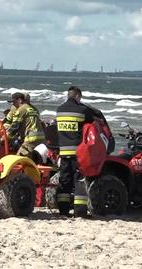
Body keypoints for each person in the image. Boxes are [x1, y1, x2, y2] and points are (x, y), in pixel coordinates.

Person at [56, 86, 95, 217]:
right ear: (77, 96)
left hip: (63, 152)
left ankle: (63, 211)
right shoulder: (82, 110)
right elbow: (92, 122)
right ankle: (79, 212)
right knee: (78, 180)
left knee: (64, 181)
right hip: (77, 153)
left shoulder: (59, 110)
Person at [6, 92, 45, 158]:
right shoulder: (33, 109)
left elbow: (14, 127)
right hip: (41, 139)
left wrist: (5, 138)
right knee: (32, 161)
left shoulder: (21, 110)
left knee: (18, 160)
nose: (13, 104)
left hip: (30, 139)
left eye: (14, 102)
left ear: (20, 100)